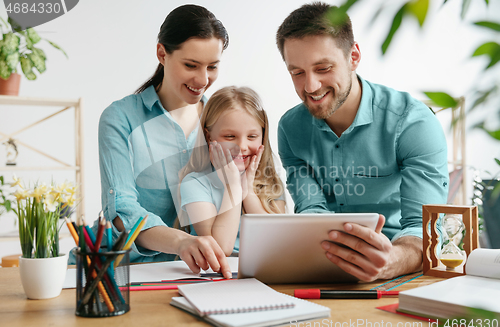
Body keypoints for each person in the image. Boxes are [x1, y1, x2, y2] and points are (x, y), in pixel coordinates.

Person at [276, 2, 449, 282]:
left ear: (353, 56)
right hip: (322, 268)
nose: (310, 86)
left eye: (323, 68)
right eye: (297, 72)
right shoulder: (290, 128)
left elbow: (424, 229)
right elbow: (311, 212)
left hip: (401, 270)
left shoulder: (413, 123)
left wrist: (391, 260)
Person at [94, 4, 232, 278]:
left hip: (212, 273)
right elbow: (122, 210)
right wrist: (182, 243)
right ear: (162, 54)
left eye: (212, 67)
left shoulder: (224, 120)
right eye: (191, 65)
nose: (203, 79)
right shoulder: (120, 118)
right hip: (139, 273)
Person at [179, 86, 286, 256]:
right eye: (230, 137)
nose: (242, 147)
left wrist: (248, 191)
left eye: (252, 137)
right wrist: (233, 187)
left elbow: (279, 243)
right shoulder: (195, 183)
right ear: (209, 137)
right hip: (214, 275)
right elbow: (220, 248)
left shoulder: (270, 182)